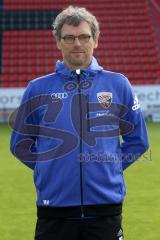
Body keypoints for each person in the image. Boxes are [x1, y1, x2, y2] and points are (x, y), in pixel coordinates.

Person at [10, 5, 149, 240]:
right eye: (69, 37)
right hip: (54, 209)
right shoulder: (37, 88)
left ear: (95, 40)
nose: (77, 43)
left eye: (84, 36)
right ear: (58, 42)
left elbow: (138, 142)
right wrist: (49, 169)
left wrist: (109, 167)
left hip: (105, 208)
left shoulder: (118, 84)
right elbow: (20, 144)